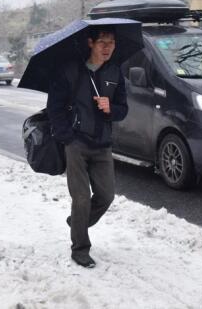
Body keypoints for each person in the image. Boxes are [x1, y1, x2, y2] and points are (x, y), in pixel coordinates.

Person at [47, 26, 128, 268]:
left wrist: (111, 107)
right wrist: (67, 138)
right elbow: (55, 108)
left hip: (103, 144)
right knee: (81, 198)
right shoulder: (71, 71)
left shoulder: (115, 72)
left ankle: (78, 223)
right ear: (91, 43)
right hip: (77, 144)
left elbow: (124, 109)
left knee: (106, 196)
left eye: (111, 42)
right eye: (102, 42)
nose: (107, 47)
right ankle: (80, 248)